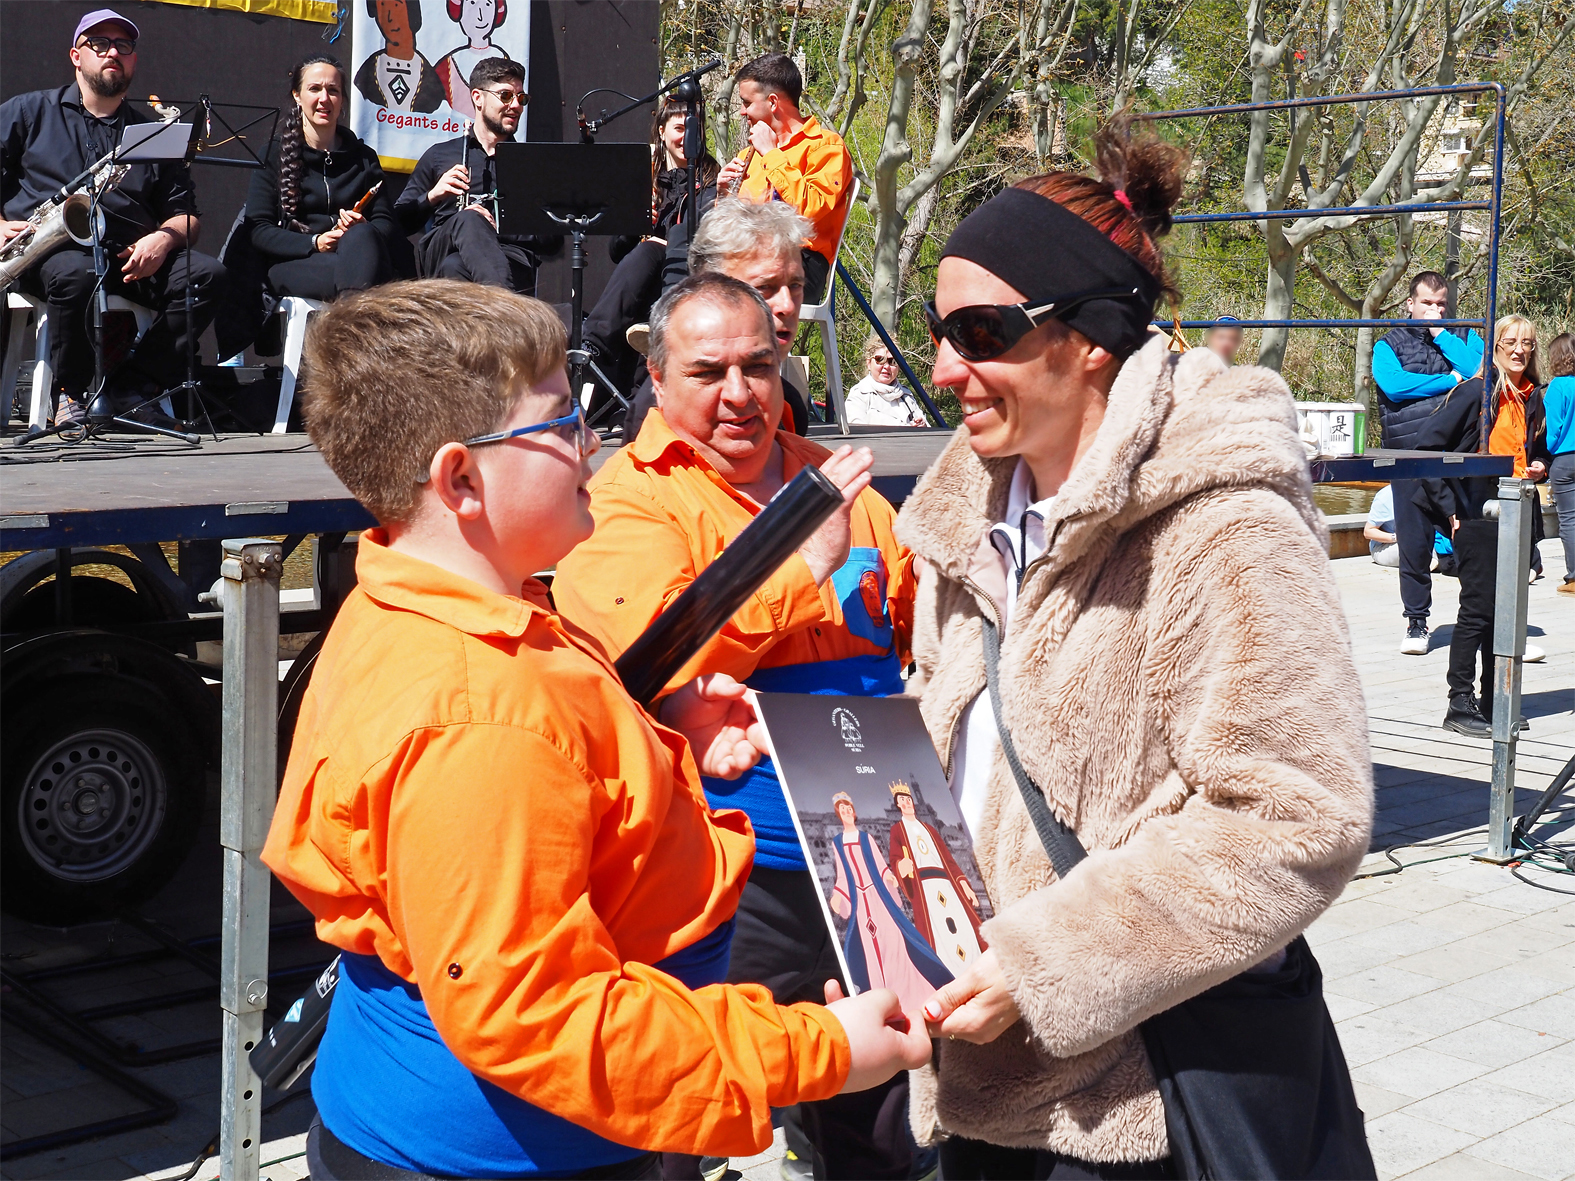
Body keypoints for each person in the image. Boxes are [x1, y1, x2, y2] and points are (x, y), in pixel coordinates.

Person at [262, 279, 929, 1179]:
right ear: (461, 477)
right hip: (503, 1152)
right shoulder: (475, 712)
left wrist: (666, 732)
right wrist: (816, 1050)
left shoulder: (463, 605)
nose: (590, 442)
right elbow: (539, 1010)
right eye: (559, 423)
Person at [896, 116, 1372, 1178]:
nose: (944, 367)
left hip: (1137, 1105)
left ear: (1091, 335)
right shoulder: (962, 518)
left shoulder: (1222, 522)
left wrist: (1041, 961)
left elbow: (1297, 811)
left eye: (981, 333)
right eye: (938, 329)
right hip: (978, 1080)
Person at [553, 273, 925, 1181]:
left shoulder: (839, 484)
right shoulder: (629, 500)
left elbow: (914, 629)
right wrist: (802, 566)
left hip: (873, 857)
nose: (738, 394)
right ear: (656, 376)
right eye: (707, 370)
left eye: (758, 366)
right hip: (726, 873)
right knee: (687, 1114)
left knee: (879, 1121)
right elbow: (650, 655)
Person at [1, 8, 227, 426]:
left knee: (207, 274)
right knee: (77, 274)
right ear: (76, 55)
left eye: (123, 46)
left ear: (134, 60)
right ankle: (69, 392)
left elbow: (187, 216)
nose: (112, 53)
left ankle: (135, 386)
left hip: (129, 258)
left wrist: (163, 239)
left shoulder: (153, 134)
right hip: (48, 253)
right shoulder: (28, 112)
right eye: (99, 44)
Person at [623, 199, 813, 441]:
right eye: (765, 287)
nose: (787, 305)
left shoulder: (789, 405)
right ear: (707, 288)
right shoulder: (661, 412)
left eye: (795, 285)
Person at [1371, 271, 1485, 655]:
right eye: (1427, 303)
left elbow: (1480, 372)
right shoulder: (1389, 343)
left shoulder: (1465, 337)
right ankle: (1416, 622)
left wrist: (1443, 338)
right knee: (1415, 546)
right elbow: (1394, 386)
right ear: (1410, 303)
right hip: (1407, 460)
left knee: (1471, 542)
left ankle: (1482, 618)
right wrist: (1447, 379)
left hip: (1458, 460)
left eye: (1441, 304)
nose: (1435, 310)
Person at [582, 96, 718, 413]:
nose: (688, 136)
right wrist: (636, 221)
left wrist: (659, 241)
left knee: (651, 250)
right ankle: (595, 354)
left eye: (694, 128)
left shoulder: (712, 180)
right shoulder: (646, 180)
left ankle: (593, 343)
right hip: (642, 283)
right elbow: (617, 251)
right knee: (644, 252)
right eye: (680, 128)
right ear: (661, 131)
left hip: (688, 280)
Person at [394, 56, 557, 288]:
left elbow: (551, 238)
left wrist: (498, 228)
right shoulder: (440, 155)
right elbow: (398, 222)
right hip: (442, 249)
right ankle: (504, 306)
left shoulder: (528, 165)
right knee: (468, 220)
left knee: (455, 266)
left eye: (521, 98)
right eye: (506, 96)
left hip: (508, 259)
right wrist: (432, 196)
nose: (516, 106)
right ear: (477, 98)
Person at [246, 55, 396, 302]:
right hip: (297, 263)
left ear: (342, 100)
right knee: (363, 277)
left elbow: (386, 224)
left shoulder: (364, 158)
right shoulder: (274, 153)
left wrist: (359, 227)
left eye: (333, 90)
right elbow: (259, 230)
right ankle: (352, 326)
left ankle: (347, 327)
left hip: (355, 257)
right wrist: (315, 242)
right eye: (314, 89)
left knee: (362, 237)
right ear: (297, 95)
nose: (324, 99)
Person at [717, 52, 852, 304]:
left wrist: (771, 154)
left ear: (772, 102)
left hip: (800, 264)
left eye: (746, 103)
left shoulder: (826, 146)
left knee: (726, 290)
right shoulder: (750, 153)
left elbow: (810, 209)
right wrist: (723, 195)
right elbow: (732, 226)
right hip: (751, 256)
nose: (742, 113)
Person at [828, 792, 953, 1020]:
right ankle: (885, 1002)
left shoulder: (866, 838)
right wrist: (838, 895)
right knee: (871, 951)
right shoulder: (837, 843)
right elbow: (842, 876)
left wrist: (889, 878)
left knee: (894, 943)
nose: (846, 812)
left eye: (848, 808)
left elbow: (880, 864)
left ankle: (910, 997)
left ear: (853, 812)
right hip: (860, 902)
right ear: (839, 814)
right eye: (842, 809)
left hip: (878, 896)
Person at [886, 781, 984, 967]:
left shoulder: (930, 829)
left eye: (908, 799)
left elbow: (948, 860)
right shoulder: (897, 830)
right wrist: (901, 867)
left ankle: (974, 963)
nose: (906, 803)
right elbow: (895, 858)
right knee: (939, 931)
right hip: (925, 888)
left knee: (961, 926)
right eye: (902, 801)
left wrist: (965, 887)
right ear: (898, 805)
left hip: (946, 884)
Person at [1484, 314, 1551, 579]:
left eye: (1526, 343)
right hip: (1486, 500)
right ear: (1495, 346)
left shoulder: (1533, 395)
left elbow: (1544, 450)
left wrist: (1541, 466)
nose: (1519, 349)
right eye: (1510, 341)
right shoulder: (1481, 391)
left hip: (1521, 498)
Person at [353, 0, 444, 114]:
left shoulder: (431, 83)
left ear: (412, 12)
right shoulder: (366, 75)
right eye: (383, 6)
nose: (389, 17)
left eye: (396, 5)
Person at [434, 0, 509, 119]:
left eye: (487, 5)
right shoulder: (447, 66)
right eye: (473, 3)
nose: (480, 15)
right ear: (459, 11)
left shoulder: (506, 62)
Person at [1543, 332, 1575, 595]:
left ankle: (1574, 577)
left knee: (1569, 520)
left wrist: (1549, 451)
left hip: (1566, 459)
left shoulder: (1558, 386)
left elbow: (1553, 431)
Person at [846, 334, 927, 426]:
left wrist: (921, 426)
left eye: (893, 361)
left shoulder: (906, 396)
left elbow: (928, 432)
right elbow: (857, 433)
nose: (887, 366)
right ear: (868, 363)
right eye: (880, 360)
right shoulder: (859, 394)